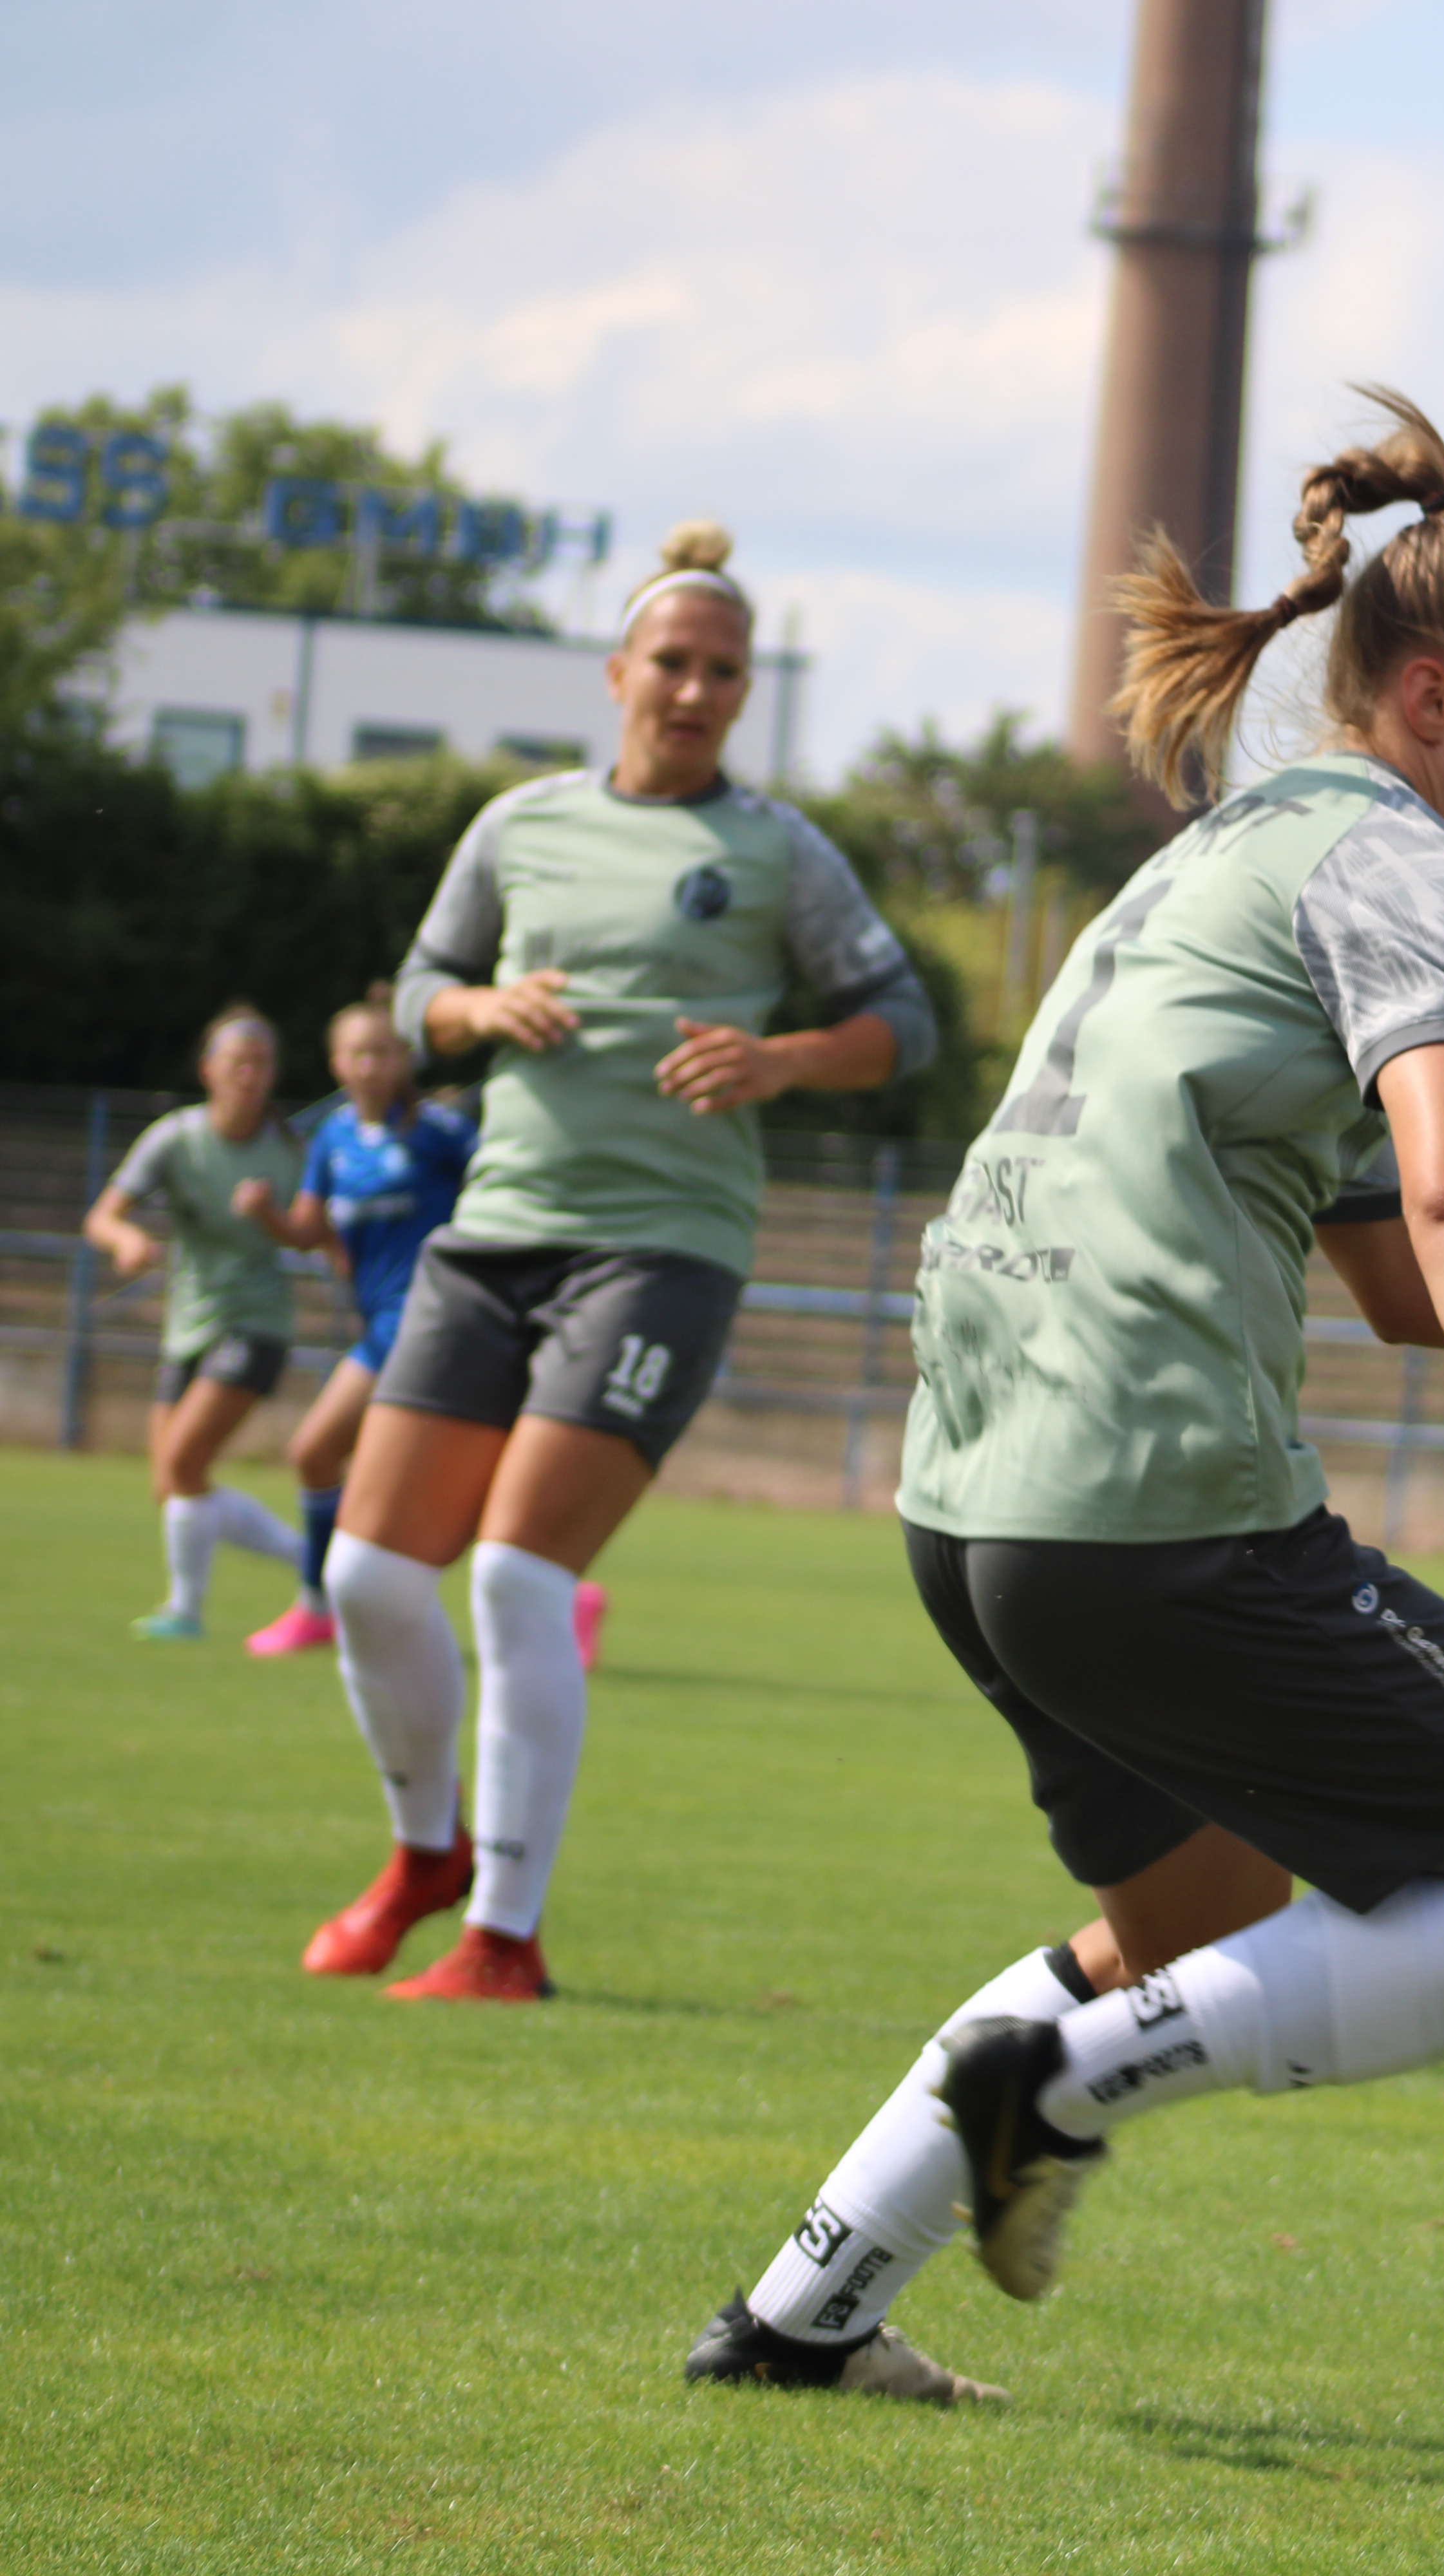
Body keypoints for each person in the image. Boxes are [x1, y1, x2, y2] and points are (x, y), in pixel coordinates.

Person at [678, 394, 1444, 2407]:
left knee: (1190, 1914)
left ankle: (799, 2317)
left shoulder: (1241, 855)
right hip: (1157, 1505)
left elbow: (1412, 1280)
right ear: (1431, 695)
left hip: (982, 1511)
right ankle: (1046, 2092)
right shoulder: (1409, 868)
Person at [303, 520, 938, 2003]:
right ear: (618, 672)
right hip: (494, 1237)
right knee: (368, 1578)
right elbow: (420, 991)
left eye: (725, 670)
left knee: (519, 1575)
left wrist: (779, 1057)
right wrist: (479, 1013)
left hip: (662, 1251)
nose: (699, 688)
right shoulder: (520, 827)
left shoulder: (778, 851)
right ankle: (424, 1854)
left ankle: (504, 1940)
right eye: (675, 660)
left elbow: (901, 1020)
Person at [233, 992, 481, 1658]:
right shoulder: (334, 1138)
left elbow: (498, 1200)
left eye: (384, 1051)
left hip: (431, 1322)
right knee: (325, 1457)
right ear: (337, 1062)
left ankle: (332, 1607)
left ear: (404, 1059)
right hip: (381, 1325)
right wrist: (266, 1215)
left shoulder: (442, 1134)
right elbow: (308, 1232)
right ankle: (323, 1608)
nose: (371, 1065)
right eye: (358, 1052)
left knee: (342, 1458)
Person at [82, 1007, 310, 1640]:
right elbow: (102, 1216)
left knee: (184, 1462)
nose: (250, 1076)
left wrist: (270, 1217)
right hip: (190, 1323)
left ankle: (185, 1611)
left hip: (257, 1323)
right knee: (173, 1485)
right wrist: (126, 1239)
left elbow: (312, 1235)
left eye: (261, 1064)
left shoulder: (289, 1152)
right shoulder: (175, 1138)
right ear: (209, 1070)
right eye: (237, 1063)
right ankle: (309, 1561)